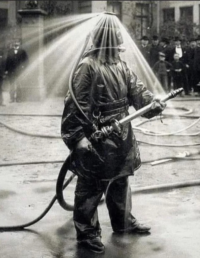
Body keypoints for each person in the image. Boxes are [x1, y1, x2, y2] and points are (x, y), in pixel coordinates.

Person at [61, 14, 166, 254]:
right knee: (91, 185)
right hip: (97, 135)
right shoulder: (87, 67)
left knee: (120, 180)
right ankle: (87, 233)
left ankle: (123, 222)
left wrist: (152, 103)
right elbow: (74, 107)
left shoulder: (121, 65)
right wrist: (78, 138)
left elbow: (137, 92)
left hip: (121, 134)